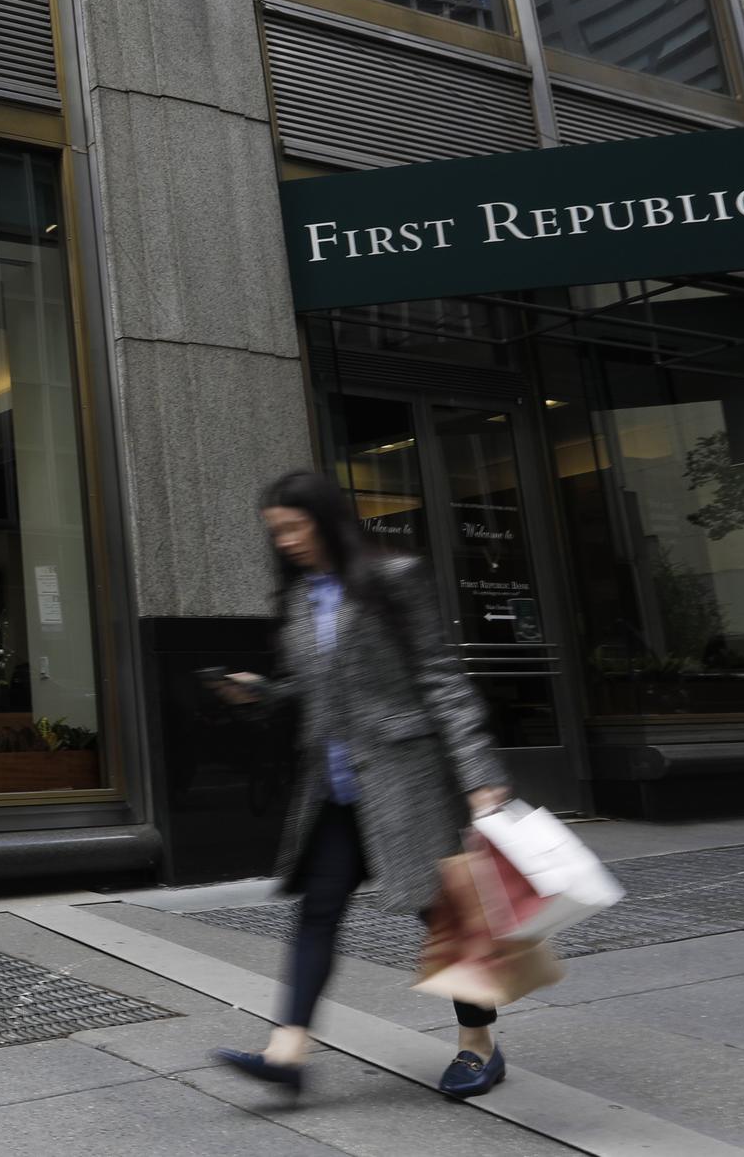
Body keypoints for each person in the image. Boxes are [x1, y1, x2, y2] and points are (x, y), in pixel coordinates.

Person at [208, 469, 514, 1100]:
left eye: (295, 527)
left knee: (443, 916)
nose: (285, 541)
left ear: (326, 519)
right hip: (336, 787)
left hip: (406, 780)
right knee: (318, 909)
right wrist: (265, 692)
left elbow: (442, 679)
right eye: (276, 531)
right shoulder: (301, 597)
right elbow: (316, 688)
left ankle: (479, 1044)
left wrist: (480, 777)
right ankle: (288, 1051)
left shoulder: (394, 577)